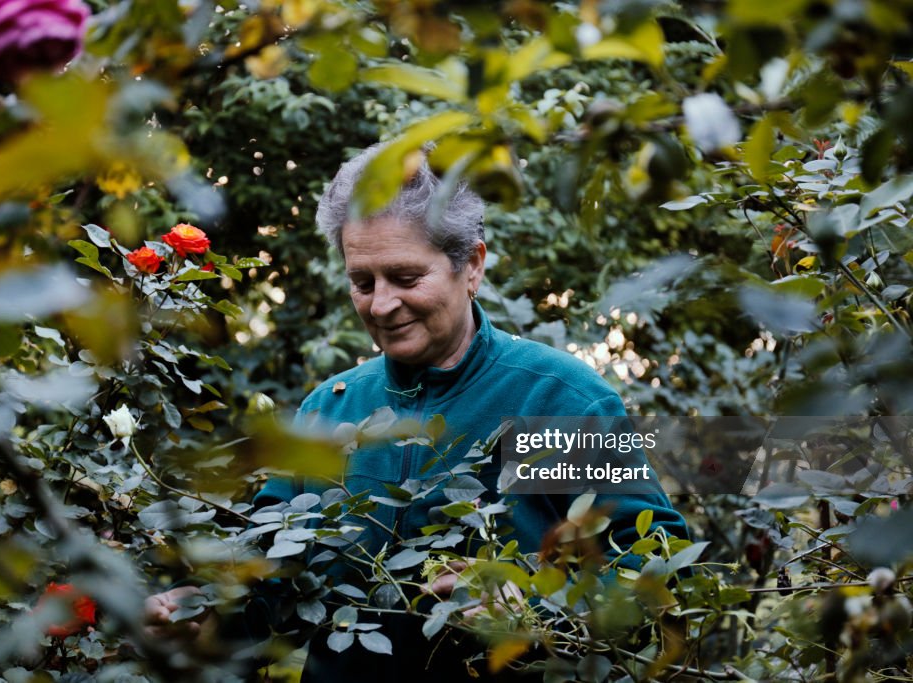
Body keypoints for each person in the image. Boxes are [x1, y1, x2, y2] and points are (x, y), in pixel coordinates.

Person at [146, 143, 689, 680]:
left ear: (471, 265)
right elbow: (274, 588)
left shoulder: (555, 403)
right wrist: (205, 617)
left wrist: (534, 608)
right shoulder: (330, 410)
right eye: (363, 282)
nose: (381, 304)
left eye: (406, 278)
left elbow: (656, 579)